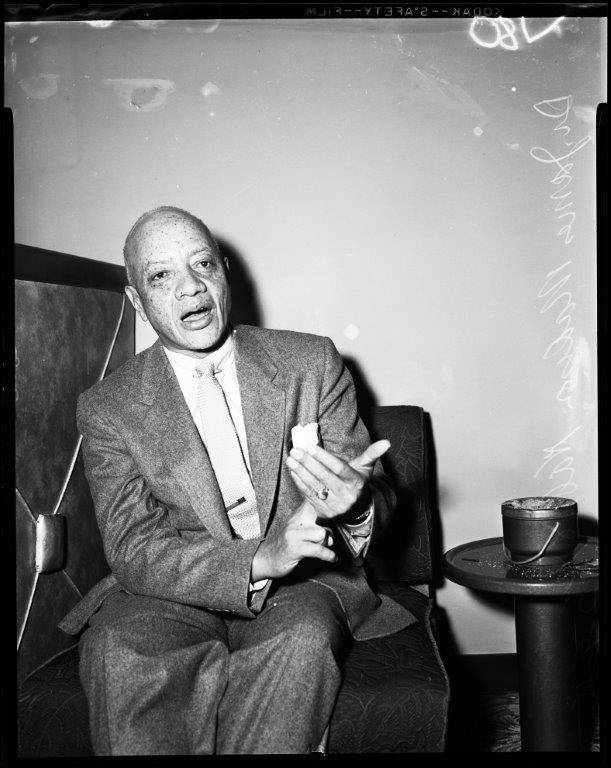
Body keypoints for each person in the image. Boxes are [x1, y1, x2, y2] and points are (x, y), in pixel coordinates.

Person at [59, 206, 416, 755]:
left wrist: (355, 505)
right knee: (118, 650)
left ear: (225, 272)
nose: (190, 288)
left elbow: (370, 490)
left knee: (301, 642)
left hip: (305, 586)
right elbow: (133, 546)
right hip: (170, 589)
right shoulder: (108, 407)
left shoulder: (310, 362)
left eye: (202, 264)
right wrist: (256, 561)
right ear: (136, 299)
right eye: (161, 276)